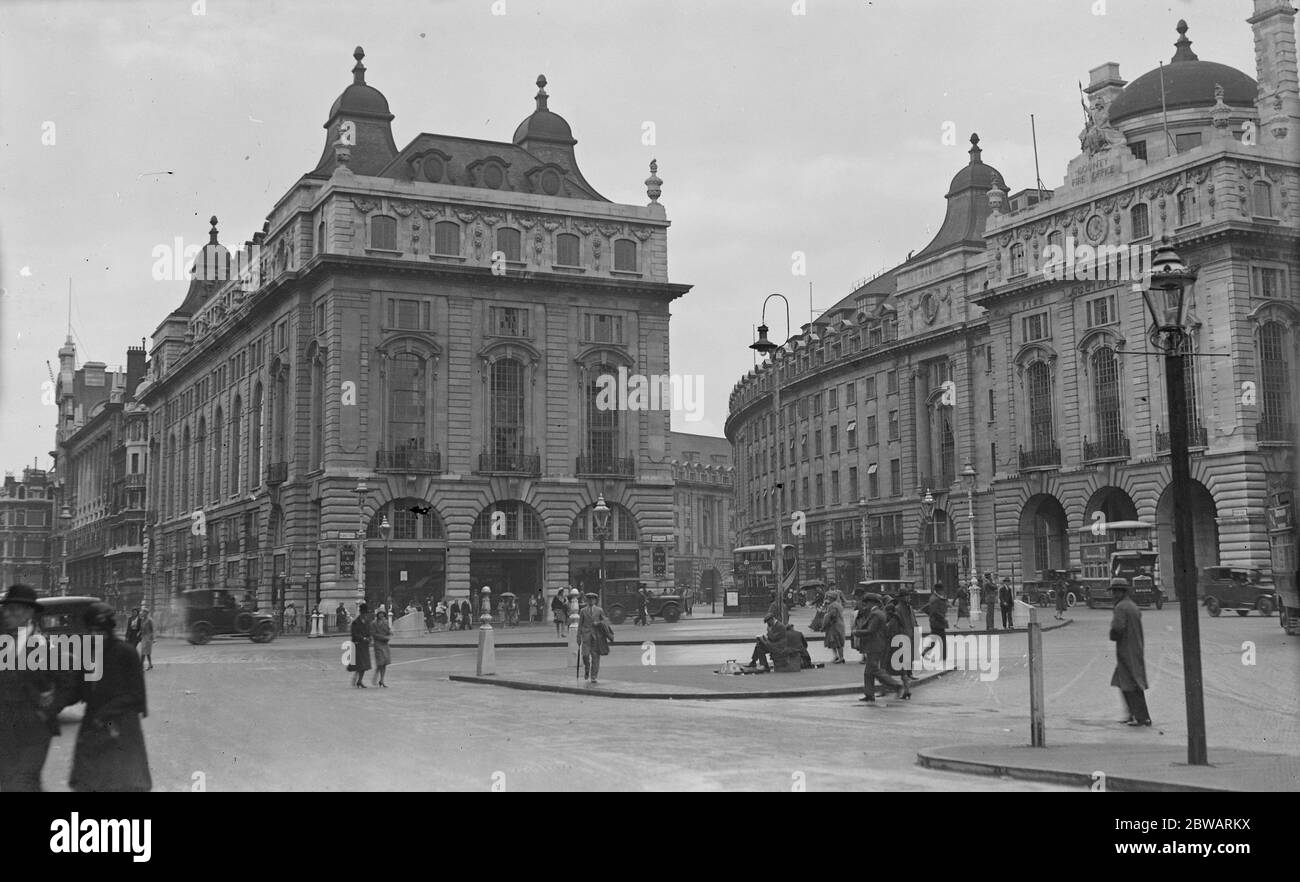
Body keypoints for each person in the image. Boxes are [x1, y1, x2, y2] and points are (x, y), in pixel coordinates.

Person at [68, 603, 152, 792]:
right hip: (94, 724)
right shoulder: (88, 653)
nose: (96, 636)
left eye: (101, 631)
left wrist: (105, 713)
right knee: (87, 782)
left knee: (121, 782)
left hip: (121, 725)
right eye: (92, 631)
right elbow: (78, 690)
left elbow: (136, 695)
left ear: (110, 630)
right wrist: (52, 701)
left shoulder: (126, 652)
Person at [0, 585, 58, 791]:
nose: (7, 614)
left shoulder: (45, 645)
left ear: (29, 612)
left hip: (34, 728)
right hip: (6, 726)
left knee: (23, 780)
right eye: (6, 609)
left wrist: (47, 710)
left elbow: (67, 684)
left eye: (13, 609)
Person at [1109, 579, 1151, 726]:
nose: (1113, 594)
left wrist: (1112, 634)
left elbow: (1117, 629)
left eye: (1115, 591)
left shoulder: (1121, 607)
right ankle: (1132, 714)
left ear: (1122, 592)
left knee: (1131, 684)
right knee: (1124, 682)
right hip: (1135, 648)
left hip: (1126, 651)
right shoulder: (1133, 606)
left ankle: (1141, 717)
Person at [852, 593, 904, 704]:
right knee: (868, 672)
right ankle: (869, 695)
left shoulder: (876, 614)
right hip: (876, 645)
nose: (865, 605)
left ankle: (896, 685)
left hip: (874, 645)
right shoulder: (877, 613)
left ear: (872, 603)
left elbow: (871, 630)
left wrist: (857, 632)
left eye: (866, 603)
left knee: (874, 670)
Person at [577, 593, 612, 683]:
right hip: (586, 637)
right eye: (589, 599)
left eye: (593, 599)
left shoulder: (599, 610)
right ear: (587, 600)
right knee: (585, 655)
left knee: (595, 657)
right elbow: (580, 625)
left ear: (595, 600)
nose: (591, 601)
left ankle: (593, 676)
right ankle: (587, 668)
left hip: (597, 637)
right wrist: (578, 637)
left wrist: (599, 623)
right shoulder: (583, 611)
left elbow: (605, 621)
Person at [891, 587, 918, 697]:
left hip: (910, 636)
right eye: (907, 596)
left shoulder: (909, 608)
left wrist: (916, 630)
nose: (909, 597)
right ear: (902, 598)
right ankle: (906, 689)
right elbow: (897, 625)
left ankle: (907, 688)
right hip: (902, 638)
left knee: (906, 662)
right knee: (903, 665)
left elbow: (913, 621)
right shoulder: (898, 609)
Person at [349, 603, 373, 689]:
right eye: (364, 613)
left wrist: (369, 637)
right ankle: (357, 678)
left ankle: (359, 681)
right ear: (361, 613)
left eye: (366, 613)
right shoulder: (355, 622)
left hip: (364, 646)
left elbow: (369, 631)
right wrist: (363, 638)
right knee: (360, 664)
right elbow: (354, 634)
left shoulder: (367, 621)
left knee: (364, 665)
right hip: (358, 645)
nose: (365, 615)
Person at [923, 587, 948, 664]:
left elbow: (929, 608)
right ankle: (943, 659)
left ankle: (925, 652)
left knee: (934, 641)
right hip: (937, 624)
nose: (942, 592)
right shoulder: (935, 599)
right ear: (939, 590)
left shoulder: (934, 598)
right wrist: (943, 619)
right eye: (941, 590)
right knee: (942, 642)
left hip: (935, 623)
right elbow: (935, 612)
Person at [822, 590, 847, 664]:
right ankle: (837, 656)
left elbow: (833, 616)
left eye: (829, 597)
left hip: (835, 625)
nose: (827, 598)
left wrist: (826, 624)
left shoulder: (833, 605)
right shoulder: (838, 604)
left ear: (831, 598)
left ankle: (841, 657)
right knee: (834, 641)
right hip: (839, 624)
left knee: (837, 641)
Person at [371, 609, 392, 687]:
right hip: (378, 644)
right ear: (377, 614)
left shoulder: (385, 622)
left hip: (385, 644)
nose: (381, 615)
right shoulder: (374, 623)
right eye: (380, 614)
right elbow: (373, 634)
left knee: (385, 663)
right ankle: (376, 676)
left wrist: (389, 633)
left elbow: (388, 631)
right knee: (380, 662)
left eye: (383, 614)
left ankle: (382, 680)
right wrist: (383, 637)